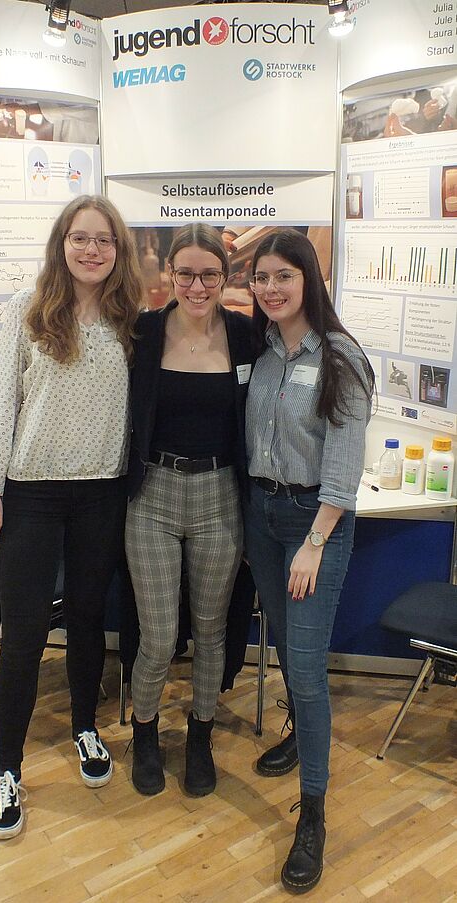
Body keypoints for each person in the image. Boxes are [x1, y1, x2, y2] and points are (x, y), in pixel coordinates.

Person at [0, 194, 144, 840]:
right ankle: (7, 766)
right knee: (21, 634)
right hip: (31, 492)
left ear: (117, 249)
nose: (92, 249)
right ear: (62, 242)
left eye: (104, 239)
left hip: (100, 492)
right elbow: (2, 401)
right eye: (81, 237)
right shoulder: (28, 307)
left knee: (84, 621)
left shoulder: (131, 318)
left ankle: (85, 727)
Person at [243, 229, 374, 894]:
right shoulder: (264, 352)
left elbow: (344, 469)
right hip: (261, 517)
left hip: (312, 524)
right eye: (261, 276)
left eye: (282, 277)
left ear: (308, 280)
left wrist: (314, 542)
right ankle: (298, 732)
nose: (269, 288)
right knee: (282, 645)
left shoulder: (342, 356)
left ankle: (313, 811)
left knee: (305, 663)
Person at [125, 223, 253, 798]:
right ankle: (146, 732)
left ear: (225, 277)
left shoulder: (248, 336)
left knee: (210, 632)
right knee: (157, 635)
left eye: (208, 274)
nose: (197, 286)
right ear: (169, 276)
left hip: (219, 496)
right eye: (186, 274)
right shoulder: (143, 332)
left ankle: (199, 735)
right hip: (152, 493)